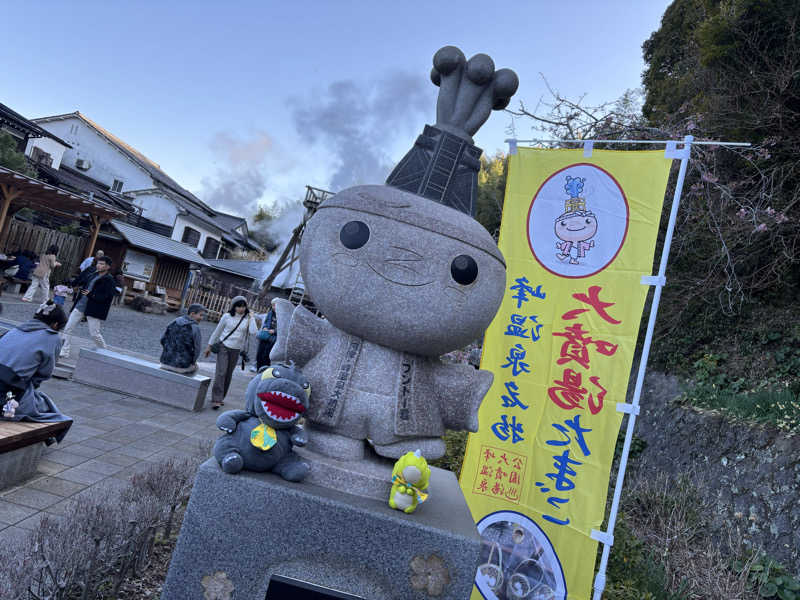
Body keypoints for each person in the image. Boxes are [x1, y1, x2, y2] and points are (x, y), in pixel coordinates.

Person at [0, 301, 72, 442]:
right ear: (55, 325)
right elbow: (44, 374)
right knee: (46, 407)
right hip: (9, 392)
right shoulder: (52, 337)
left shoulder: (14, 330)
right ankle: (47, 437)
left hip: (7, 386)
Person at [205, 295, 258, 409]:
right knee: (221, 372)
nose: (241, 309)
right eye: (238, 306)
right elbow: (217, 331)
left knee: (228, 374)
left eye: (243, 306)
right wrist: (209, 346)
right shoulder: (227, 316)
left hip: (236, 349)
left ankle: (221, 397)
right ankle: (216, 399)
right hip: (224, 346)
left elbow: (254, 332)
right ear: (234, 306)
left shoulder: (247, 319)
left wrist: (252, 317)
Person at [59, 256, 116, 359]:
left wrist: (92, 295)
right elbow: (81, 281)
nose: (99, 265)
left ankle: (105, 353)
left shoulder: (109, 280)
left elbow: (107, 297)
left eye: (102, 264)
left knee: (94, 333)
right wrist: (71, 284)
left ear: (107, 267)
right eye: (98, 263)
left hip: (93, 309)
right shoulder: (92, 274)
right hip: (80, 305)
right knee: (68, 328)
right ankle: (64, 350)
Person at [160, 304, 206, 374]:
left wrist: (168, 351)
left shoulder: (174, 321)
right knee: (195, 367)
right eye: (201, 315)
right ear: (192, 314)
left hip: (164, 362)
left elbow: (162, 340)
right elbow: (197, 350)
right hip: (181, 366)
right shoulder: (195, 328)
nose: (202, 318)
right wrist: (193, 362)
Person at [255, 299, 278, 371]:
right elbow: (265, 322)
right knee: (259, 354)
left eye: (275, 305)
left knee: (266, 355)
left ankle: (265, 371)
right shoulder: (270, 313)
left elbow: (284, 327)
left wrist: (274, 331)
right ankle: (258, 370)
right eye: (272, 305)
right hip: (265, 335)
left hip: (273, 338)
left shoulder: (282, 315)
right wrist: (265, 327)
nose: (274, 307)